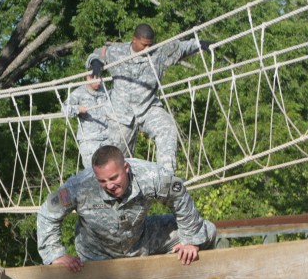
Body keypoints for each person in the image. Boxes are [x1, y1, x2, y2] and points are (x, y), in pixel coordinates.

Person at [37, 145, 216, 272]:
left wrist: (190, 240)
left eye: (114, 178)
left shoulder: (152, 176)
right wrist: (55, 254)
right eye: (102, 181)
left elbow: (180, 195)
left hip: (140, 240)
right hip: (97, 253)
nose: (109, 185)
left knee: (207, 230)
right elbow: (47, 213)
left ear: (126, 168)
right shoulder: (79, 186)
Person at [86, 23, 214, 174]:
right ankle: (115, 190)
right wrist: (95, 63)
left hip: (148, 108)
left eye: (150, 45)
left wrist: (201, 44)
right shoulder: (117, 52)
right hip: (120, 114)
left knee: (166, 127)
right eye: (144, 45)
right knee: (115, 158)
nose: (148, 49)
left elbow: (181, 47)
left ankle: (166, 175)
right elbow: (98, 53)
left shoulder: (158, 52)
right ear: (134, 40)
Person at [62, 75, 112, 168]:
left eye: (100, 78)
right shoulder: (79, 93)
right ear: (88, 77)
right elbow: (64, 109)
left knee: (110, 170)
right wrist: (77, 108)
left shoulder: (104, 90)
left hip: (107, 139)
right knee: (92, 172)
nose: (99, 82)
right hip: (89, 141)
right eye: (96, 79)